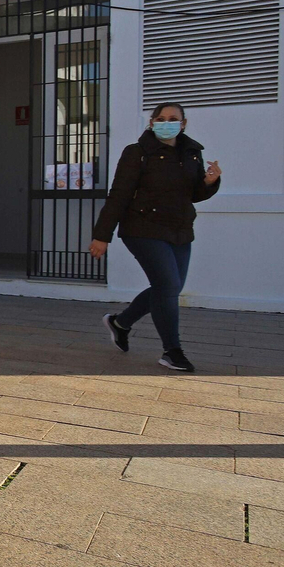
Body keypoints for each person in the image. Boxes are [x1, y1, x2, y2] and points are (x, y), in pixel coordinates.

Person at [90, 103, 222, 373]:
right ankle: (172, 351)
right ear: (151, 123)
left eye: (173, 119)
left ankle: (120, 323)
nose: (166, 123)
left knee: (168, 288)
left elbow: (193, 194)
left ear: (183, 124)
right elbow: (118, 196)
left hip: (180, 230)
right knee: (167, 285)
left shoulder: (192, 152)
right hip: (142, 228)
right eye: (160, 119)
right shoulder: (137, 153)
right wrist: (102, 236)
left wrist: (210, 182)